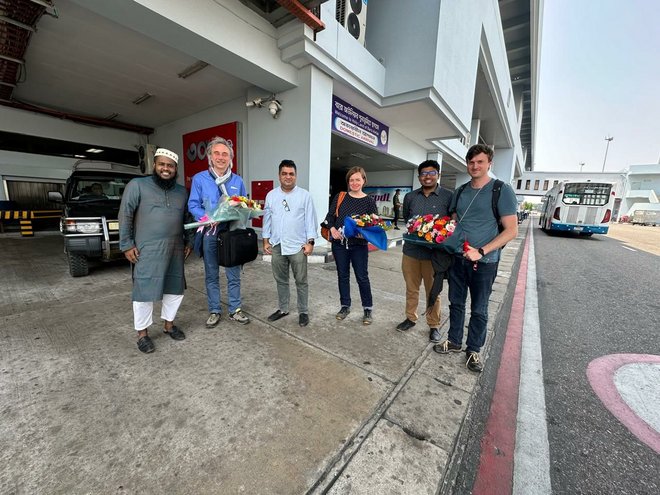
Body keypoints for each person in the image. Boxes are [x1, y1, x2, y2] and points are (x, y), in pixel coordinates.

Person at [434, 144, 518, 372]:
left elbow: (511, 230)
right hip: (459, 260)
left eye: (480, 162)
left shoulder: (501, 190)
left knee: (479, 309)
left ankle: (473, 351)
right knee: (456, 304)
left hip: (484, 263)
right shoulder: (460, 192)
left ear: (489, 163)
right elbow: (454, 221)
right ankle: (454, 341)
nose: (475, 166)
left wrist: (481, 251)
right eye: (471, 162)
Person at [118, 148, 193, 354]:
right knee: (143, 292)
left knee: (175, 289)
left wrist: (190, 242)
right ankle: (142, 334)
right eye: (162, 164)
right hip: (146, 250)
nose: (165, 169)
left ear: (175, 168)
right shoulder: (137, 185)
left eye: (170, 166)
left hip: (175, 248)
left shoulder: (181, 191)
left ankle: (169, 325)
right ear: (155, 165)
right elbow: (125, 214)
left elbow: (188, 219)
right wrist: (126, 244)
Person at [188, 136, 251, 327]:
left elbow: (245, 205)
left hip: (231, 234)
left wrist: (243, 210)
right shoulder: (200, 179)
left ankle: (235, 309)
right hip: (210, 233)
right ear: (210, 156)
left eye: (225, 154)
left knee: (233, 273)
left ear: (230, 158)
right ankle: (214, 310)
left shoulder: (237, 180)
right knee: (211, 274)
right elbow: (193, 204)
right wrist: (209, 219)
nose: (221, 157)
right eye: (217, 153)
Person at [396, 160, 452, 343]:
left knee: (433, 292)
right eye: (423, 173)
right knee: (411, 289)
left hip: (434, 256)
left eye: (432, 172)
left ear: (438, 175)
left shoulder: (448, 197)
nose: (427, 176)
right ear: (419, 177)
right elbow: (407, 219)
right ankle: (410, 318)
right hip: (411, 252)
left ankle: (434, 325)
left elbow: (451, 224)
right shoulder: (411, 197)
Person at [262, 160, 318, 327]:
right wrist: (265, 240)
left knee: (301, 280)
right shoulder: (271, 195)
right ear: (279, 175)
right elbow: (267, 219)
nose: (288, 177)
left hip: (298, 246)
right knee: (281, 279)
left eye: (291, 174)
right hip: (277, 245)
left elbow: (310, 221)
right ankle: (283, 309)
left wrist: (311, 243)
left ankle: (303, 311)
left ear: (296, 176)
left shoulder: (305, 195)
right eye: (284, 173)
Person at [322, 166, 378, 325]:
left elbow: (373, 224)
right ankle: (345, 305)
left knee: (362, 277)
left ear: (364, 181)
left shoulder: (369, 201)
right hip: (339, 244)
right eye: (351, 180)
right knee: (342, 275)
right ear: (348, 181)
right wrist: (332, 229)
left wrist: (366, 231)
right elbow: (330, 216)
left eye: (357, 179)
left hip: (359, 245)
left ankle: (367, 308)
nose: (354, 182)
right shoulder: (341, 196)